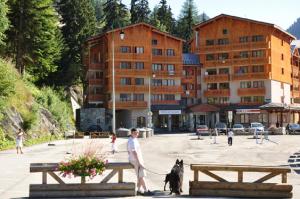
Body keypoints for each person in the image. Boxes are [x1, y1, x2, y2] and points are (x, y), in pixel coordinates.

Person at [127, 128, 153, 196]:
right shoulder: (132, 141)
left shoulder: (132, 139)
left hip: (135, 159)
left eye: (137, 133)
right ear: (132, 133)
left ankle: (138, 190)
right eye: (135, 133)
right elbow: (134, 152)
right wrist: (139, 162)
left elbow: (129, 151)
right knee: (141, 176)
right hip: (136, 160)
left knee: (139, 176)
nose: (137, 134)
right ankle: (146, 191)